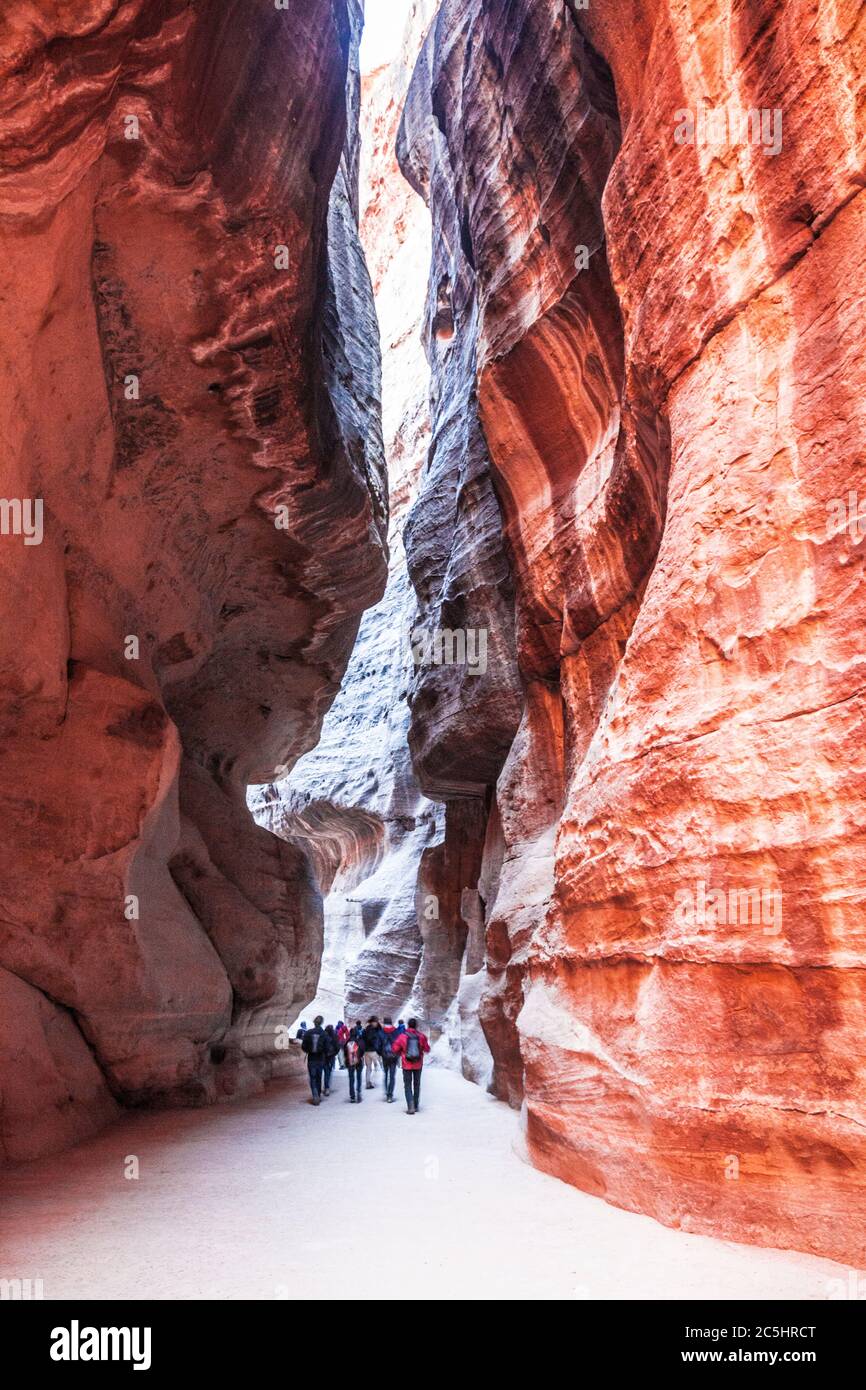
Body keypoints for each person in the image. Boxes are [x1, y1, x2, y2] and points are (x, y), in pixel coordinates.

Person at [391, 1017, 430, 1114]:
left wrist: (402, 1052)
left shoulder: (402, 1036)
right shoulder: (421, 1036)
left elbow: (394, 1049)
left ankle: (410, 1106)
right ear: (416, 1026)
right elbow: (427, 1049)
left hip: (406, 1064)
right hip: (418, 1064)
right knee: (417, 1084)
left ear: (408, 1025)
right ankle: (416, 1105)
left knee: (407, 1085)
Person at [302, 1015, 327, 1105]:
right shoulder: (324, 1033)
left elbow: (303, 1047)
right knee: (319, 1077)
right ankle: (318, 1095)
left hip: (311, 1058)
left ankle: (315, 1094)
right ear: (321, 1023)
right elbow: (327, 1047)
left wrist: (308, 1050)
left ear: (314, 1022)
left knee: (312, 1077)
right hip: (320, 1059)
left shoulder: (308, 1033)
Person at [343, 1021, 366, 1103]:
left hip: (350, 1062)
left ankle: (352, 1096)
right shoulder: (360, 1041)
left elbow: (345, 1053)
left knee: (351, 1079)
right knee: (359, 1077)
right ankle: (358, 1093)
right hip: (358, 1062)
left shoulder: (347, 1042)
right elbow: (363, 1051)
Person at [380, 1016, 399, 1103]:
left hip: (385, 1057)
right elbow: (399, 1044)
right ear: (391, 1023)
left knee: (386, 1074)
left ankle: (386, 1091)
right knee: (392, 1076)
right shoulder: (396, 1031)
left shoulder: (381, 1032)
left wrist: (381, 1053)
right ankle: (390, 1095)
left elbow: (378, 1044)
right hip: (394, 1057)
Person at [362, 1016, 384, 1089]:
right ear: (372, 1022)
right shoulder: (373, 1030)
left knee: (369, 1068)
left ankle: (368, 1083)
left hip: (366, 1051)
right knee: (379, 1065)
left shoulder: (366, 1029)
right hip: (373, 1050)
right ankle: (384, 1080)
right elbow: (374, 1040)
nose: (376, 1023)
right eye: (375, 1021)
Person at [322, 1024, 340, 1095]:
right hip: (331, 1057)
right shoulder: (335, 1036)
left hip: (323, 1057)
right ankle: (327, 1088)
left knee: (324, 1071)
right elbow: (337, 1047)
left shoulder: (323, 1036)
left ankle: (324, 1087)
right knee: (328, 1073)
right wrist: (334, 1054)